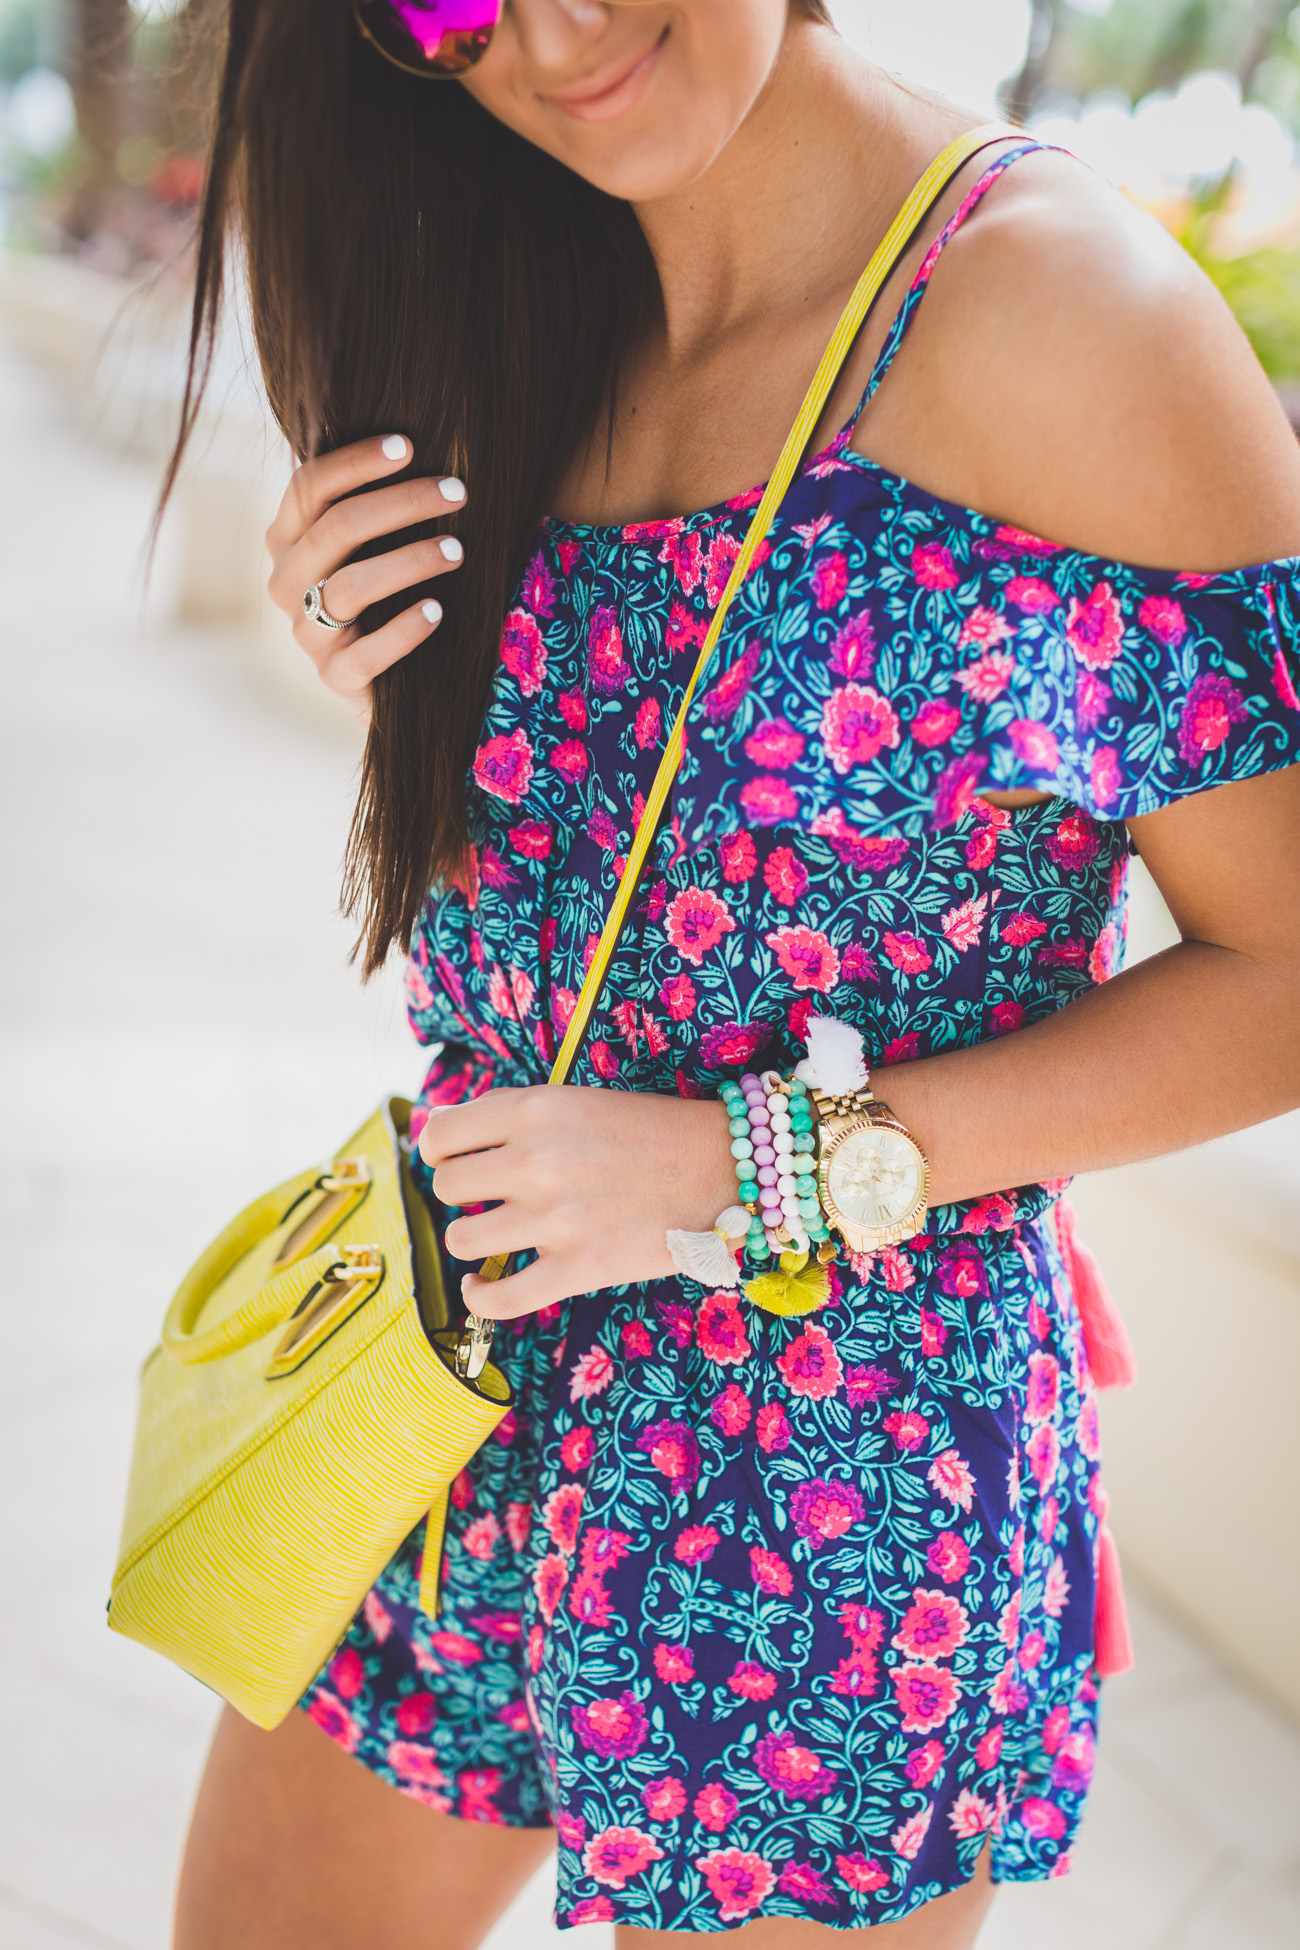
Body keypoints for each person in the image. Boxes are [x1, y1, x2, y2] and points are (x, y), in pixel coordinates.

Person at [166, 3, 1300, 1946]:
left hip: (831, 1507)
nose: (558, 30)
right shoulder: (516, 274)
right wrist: (362, 628)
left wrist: (748, 1162)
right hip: (447, 1391)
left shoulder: (1060, 321)